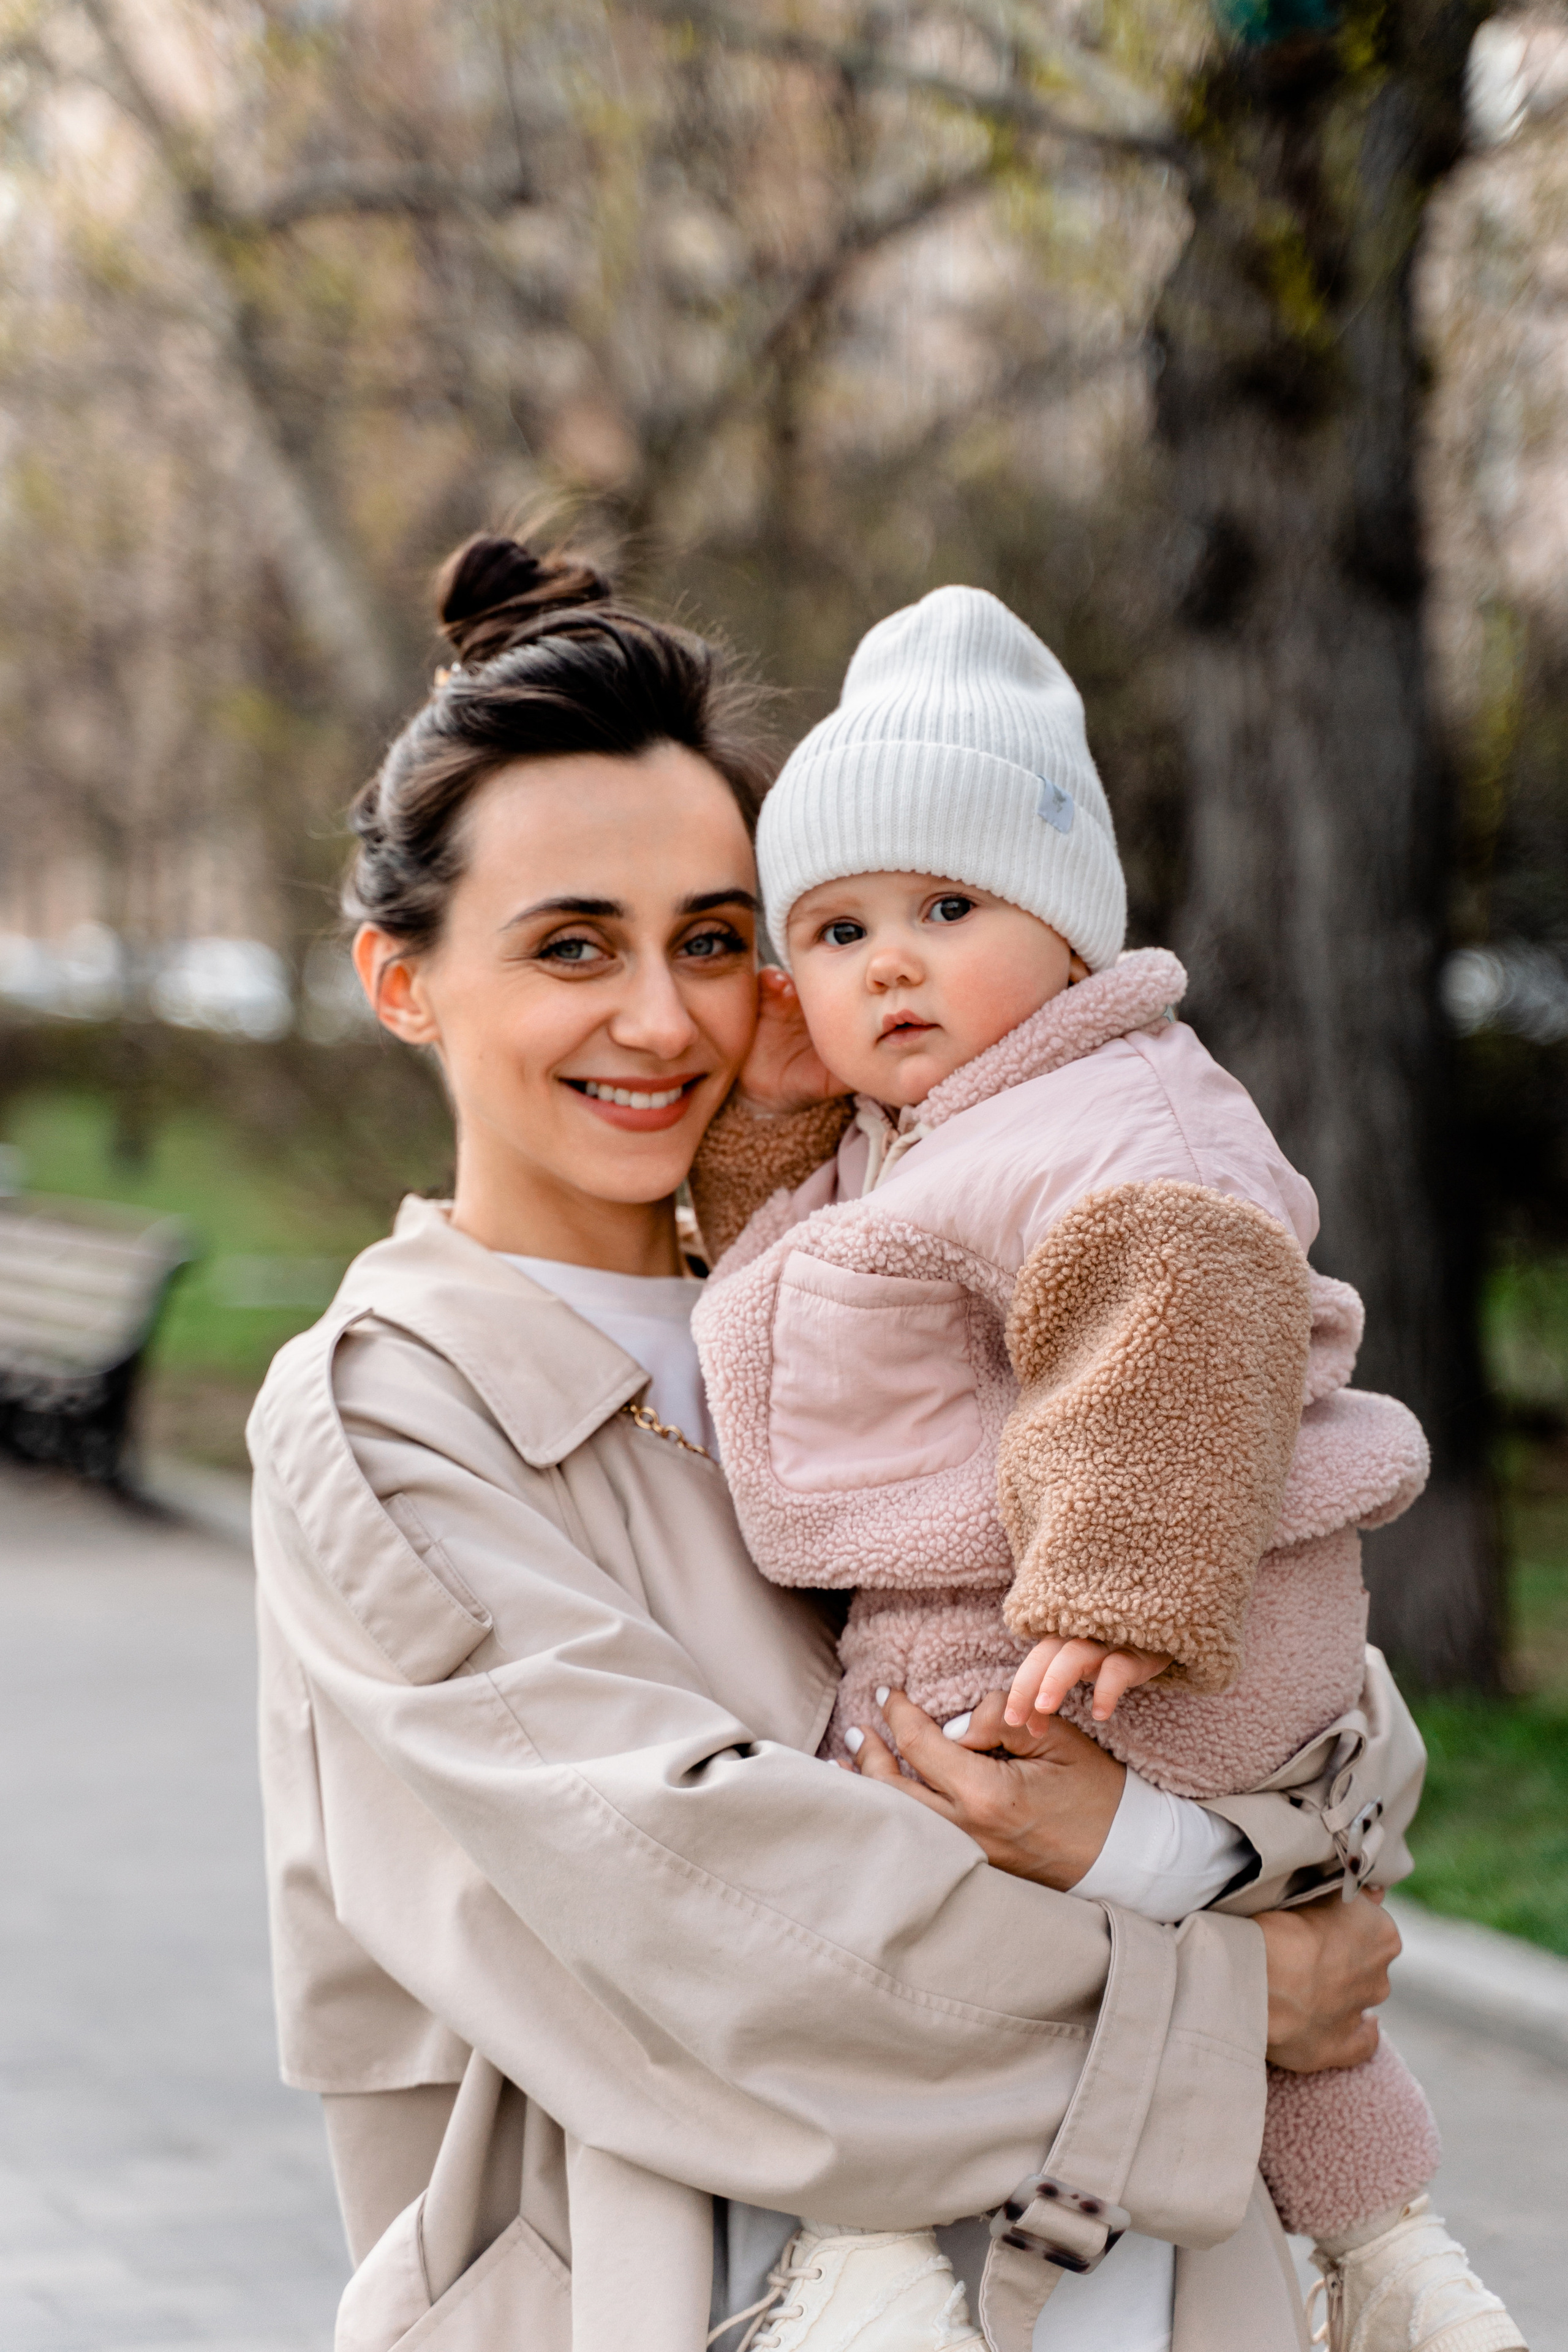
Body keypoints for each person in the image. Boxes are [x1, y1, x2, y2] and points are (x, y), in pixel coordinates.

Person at [249, 534, 1417, 2352]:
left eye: (717, 942)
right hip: (678, 2296)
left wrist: (1163, 1843)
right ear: (402, 983)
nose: (665, 1019)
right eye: (573, 947)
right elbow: (717, 1918)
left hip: (1133, 2282)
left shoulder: (890, 1287)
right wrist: (1231, 1982)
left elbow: (1331, 1695)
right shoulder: (395, 1412)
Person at [687, 584, 1526, 2352]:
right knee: (1293, 1977)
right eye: (834, 930)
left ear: (1070, 935)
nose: (889, 963)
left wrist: (1123, 1575)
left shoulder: (1114, 1113)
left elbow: (1184, 1294)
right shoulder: (955, 1121)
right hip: (1166, 1615)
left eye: (948, 908)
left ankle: (862, 2244)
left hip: (1122, 1626)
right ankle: (1385, 2247)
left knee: (877, 1887)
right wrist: (774, 1107)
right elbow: (804, 1257)